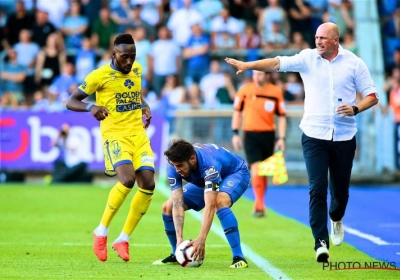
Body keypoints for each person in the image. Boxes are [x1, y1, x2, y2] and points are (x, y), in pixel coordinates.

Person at [225, 22, 378, 263]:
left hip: (344, 137)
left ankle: (336, 218)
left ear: (335, 40)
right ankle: (320, 242)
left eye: (323, 38)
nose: (318, 41)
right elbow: (277, 62)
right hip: (313, 135)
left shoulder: (354, 63)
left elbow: (372, 96)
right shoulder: (307, 58)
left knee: (340, 193)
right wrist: (248, 65)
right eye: (316, 37)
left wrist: (355, 108)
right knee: (317, 188)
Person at [66, 34, 156, 263]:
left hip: (138, 134)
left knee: (148, 183)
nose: (129, 62)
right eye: (125, 57)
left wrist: (144, 106)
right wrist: (91, 107)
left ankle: (123, 238)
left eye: (133, 57)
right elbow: (71, 100)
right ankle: (101, 231)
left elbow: (135, 94)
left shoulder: (136, 70)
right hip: (115, 136)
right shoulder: (99, 75)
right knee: (127, 180)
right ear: (113, 54)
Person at [152, 139, 250, 268]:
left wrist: (201, 239)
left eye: (180, 165)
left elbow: (209, 205)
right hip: (205, 180)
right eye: (175, 166)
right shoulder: (174, 166)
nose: (177, 170)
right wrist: (179, 239)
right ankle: (176, 253)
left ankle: (239, 257)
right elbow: (177, 203)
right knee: (168, 207)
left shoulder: (209, 166)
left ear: (192, 158)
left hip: (235, 173)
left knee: (219, 202)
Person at [231, 70, 287, 218]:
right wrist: (235, 133)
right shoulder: (245, 90)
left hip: (268, 134)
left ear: (267, 75)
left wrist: (281, 138)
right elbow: (237, 112)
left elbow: (282, 116)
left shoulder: (275, 92)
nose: (257, 77)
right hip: (250, 134)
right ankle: (259, 204)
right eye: (255, 74)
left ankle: (260, 201)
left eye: (260, 74)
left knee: (264, 170)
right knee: (255, 167)